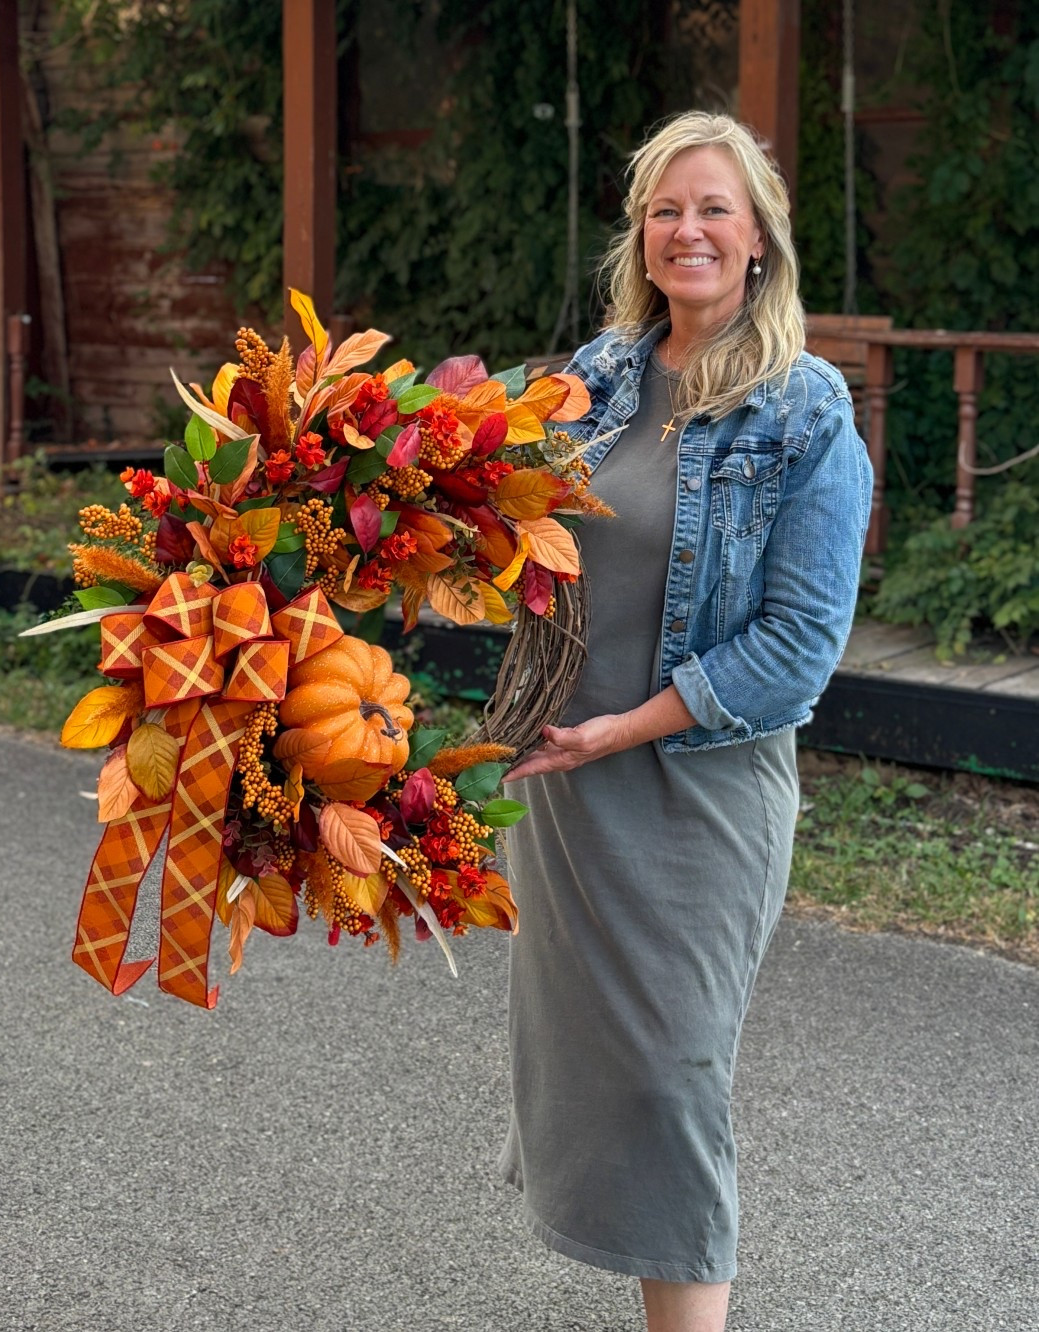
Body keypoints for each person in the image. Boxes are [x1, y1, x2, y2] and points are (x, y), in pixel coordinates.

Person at [498, 111, 873, 1332]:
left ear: (758, 236)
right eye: (665, 208)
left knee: (673, 1076)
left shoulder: (806, 411)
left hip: (697, 787)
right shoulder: (593, 378)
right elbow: (458, 489)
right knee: (595, 1066)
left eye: (713, 207)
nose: (686, 230)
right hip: (566, 784)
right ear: (640, 235)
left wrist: (619, 729)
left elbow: (795, 649)